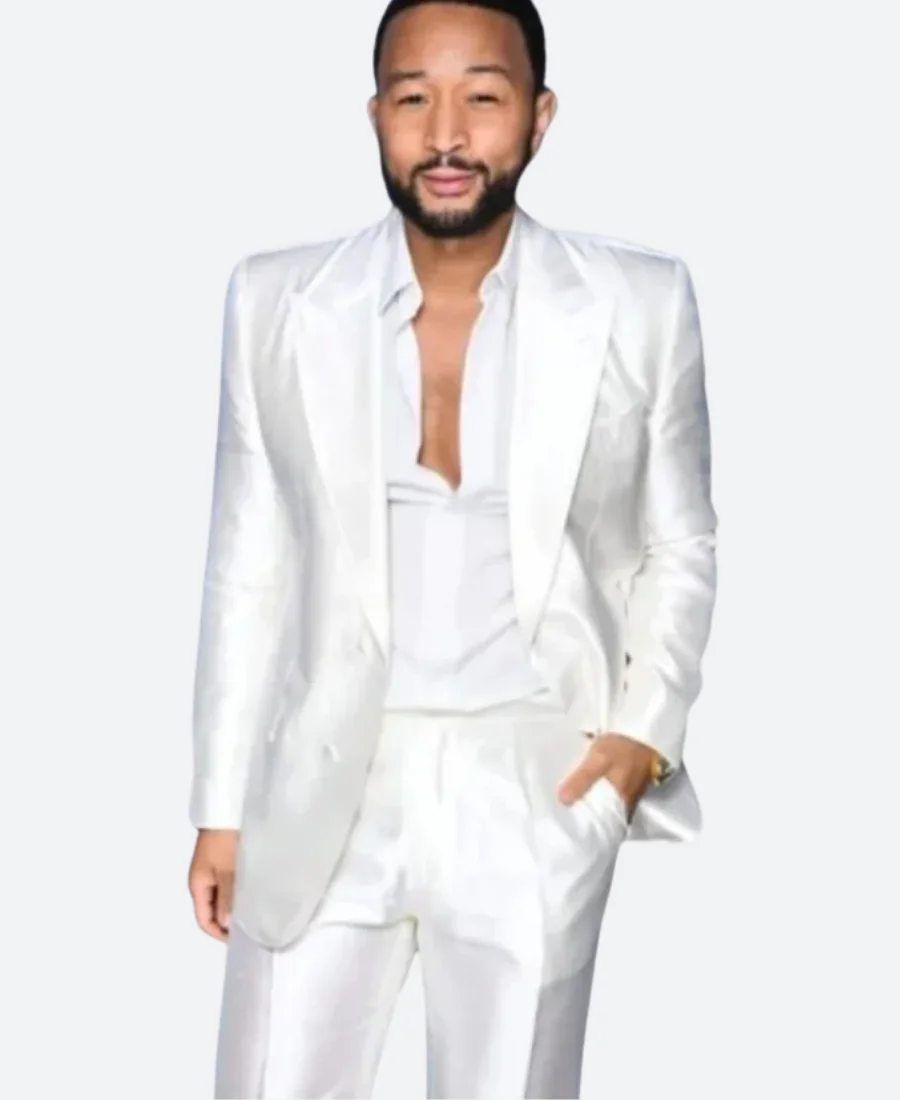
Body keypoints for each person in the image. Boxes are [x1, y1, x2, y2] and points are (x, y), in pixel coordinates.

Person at [187, 0, 718, 1095]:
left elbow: (681, 538)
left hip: (533, 780)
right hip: (327, 778)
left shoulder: (640, 301)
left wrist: (638, 744)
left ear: (539, 117)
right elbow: (248, 560)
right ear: (375, 115)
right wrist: (220, 809)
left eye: (482, 97)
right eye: (413, 98)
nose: (444, 135)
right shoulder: (277, 300)